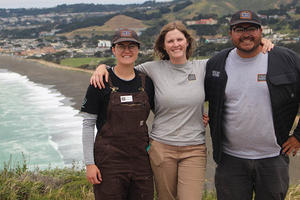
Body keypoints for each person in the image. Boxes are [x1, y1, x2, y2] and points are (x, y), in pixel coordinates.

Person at [90, 21, 273, 200]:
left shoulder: (203, 67)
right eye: (170, 41)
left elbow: (235, 55)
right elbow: (123, 67)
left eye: (179, 39)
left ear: (187, 41)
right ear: (163, 45)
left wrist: (261, 43)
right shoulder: (152, 69)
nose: (175, 44)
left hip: (194, 148)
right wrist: (101, 68)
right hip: (161, 147)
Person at [204, 10, 300, 200]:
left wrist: (299, 135)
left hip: (273, 158)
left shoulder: (285, 60)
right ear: (230, 33)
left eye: (252, 29)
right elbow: (195, 94)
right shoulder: (217, 63)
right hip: (230, 160)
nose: (246, 34)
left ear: (261, 32)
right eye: (239, 29)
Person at [81, 28, 155, 200]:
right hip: (109, 162)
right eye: (121, 46)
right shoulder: (100, 82)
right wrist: (90, 164)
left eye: (132, 46)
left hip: (141, 161)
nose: (127, 51)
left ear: (138, 50)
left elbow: (163, 114)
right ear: (113, 50)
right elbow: (88, 124)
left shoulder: (147, 82)